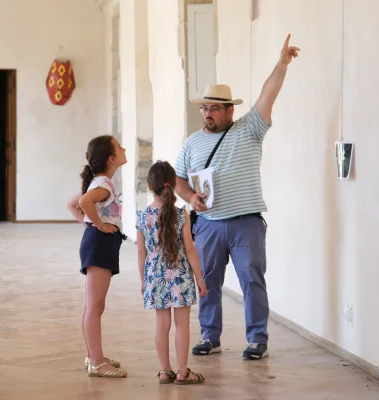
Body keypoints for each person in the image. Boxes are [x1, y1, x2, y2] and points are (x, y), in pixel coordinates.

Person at [174, 34, 300, 360]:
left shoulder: (249, 129)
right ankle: (209, 336)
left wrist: (282, 63)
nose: (208, 114)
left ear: (230, 111)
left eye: (214, 109)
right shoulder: (191, 144)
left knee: (252, 282)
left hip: (246, 223)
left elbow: (267, 96)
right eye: (205, 109)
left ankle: (257, 339)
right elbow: (177, 178)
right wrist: (190, 197)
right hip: (208, 226)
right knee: (208, 284)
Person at [136, 160, 208, 384]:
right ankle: (182, 370)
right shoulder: (181, 215)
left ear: (149, 186)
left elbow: (142, 254)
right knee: (182, 324)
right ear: (174, 185)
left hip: (155, 276)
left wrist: (143, 280)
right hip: (180, 275)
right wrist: (199, 277)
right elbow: (190, 249)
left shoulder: (142, 217)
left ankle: (165, 371)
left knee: (162, 324)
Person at [66, 135, 128, 378]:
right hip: (100, 243)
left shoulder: (99, 181)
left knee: (93, 305)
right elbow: (82, 201)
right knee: (95, 306)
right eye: (120, 147)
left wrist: (91, 224)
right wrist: (99, 226)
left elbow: (72, 204)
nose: (124, 149)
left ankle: (94, 356)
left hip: (98, 241)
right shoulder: (104, 184)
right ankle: (97, 363)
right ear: (111, 158)